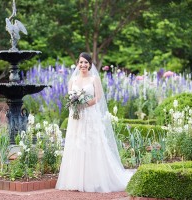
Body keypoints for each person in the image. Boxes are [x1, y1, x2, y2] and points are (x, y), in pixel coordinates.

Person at [56, 52, 135, 193]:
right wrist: (74, 105)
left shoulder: (94, 79)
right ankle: (76, 180)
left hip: (90, 117)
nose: (83, 65)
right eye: (81, 62)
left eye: (86, 62)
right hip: (76, 119)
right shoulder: (72, 80)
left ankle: (94, 180)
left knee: (92, 145)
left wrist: (84, 104)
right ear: (77, 64)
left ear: (90, 64)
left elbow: (98, 97)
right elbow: (69, 98)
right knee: (77, 145)